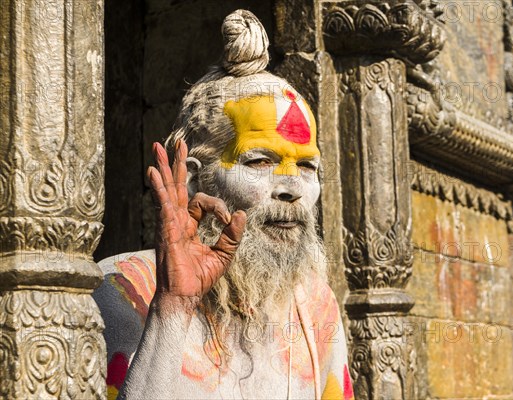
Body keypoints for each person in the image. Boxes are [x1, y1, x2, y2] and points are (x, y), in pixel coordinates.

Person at [94, 9, 355, 400]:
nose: (292, 189)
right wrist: (173, 307)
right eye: (260, 161)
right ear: (197, 179)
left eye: (305, 166)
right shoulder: (121, 289)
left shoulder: (314, 304)